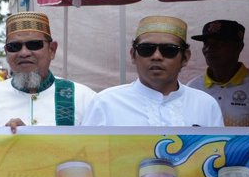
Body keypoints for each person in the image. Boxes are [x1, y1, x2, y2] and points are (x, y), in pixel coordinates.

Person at [86, 17, 224, 127]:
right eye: (146, 49)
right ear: (133, 55)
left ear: (185, 57)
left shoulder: (205, 104)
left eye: (169, 49)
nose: (156, 56)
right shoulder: (106, 102)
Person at [0, 12, 96, 129]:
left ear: (52, 50)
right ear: (7, 52)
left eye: (34, 45)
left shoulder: (84, 99)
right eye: (14, 47)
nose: (24, 53)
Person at [188, 19, 249, 126]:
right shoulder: (193, 87)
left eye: (219, 44)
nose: (209, 49)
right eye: (206, 44)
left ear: (239, 47)